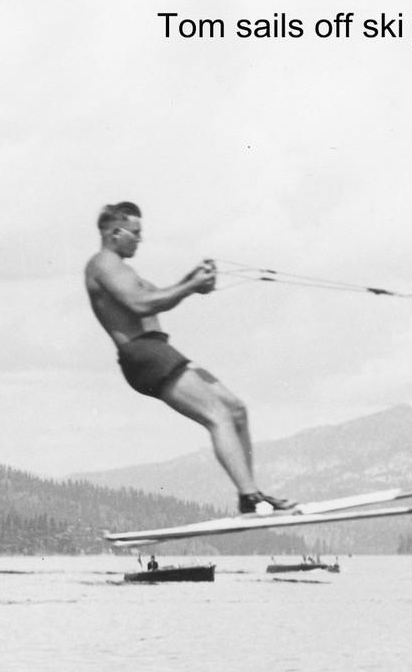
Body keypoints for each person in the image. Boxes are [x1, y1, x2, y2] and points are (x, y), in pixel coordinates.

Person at [85, 201, 296, 515]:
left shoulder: (122, 269)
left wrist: (193, 281)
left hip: (159, 350)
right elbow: (142, 304)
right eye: (135, 233)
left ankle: (251, 493)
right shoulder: (104, 263)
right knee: (218, 415)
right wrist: (192, 286)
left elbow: (163, 295)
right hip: (144, 354)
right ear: (115, 233)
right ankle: (250, 497)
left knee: (236, 409)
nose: (140, 240)